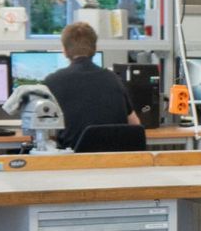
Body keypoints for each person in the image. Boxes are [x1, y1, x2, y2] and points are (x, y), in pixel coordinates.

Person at [42, 22, 139, 151]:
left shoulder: (52, 82)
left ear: (64, 51)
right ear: (95, 48)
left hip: (74, 160)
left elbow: (42, 128)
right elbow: (135, 125)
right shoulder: (114, 79)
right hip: (115, 159)